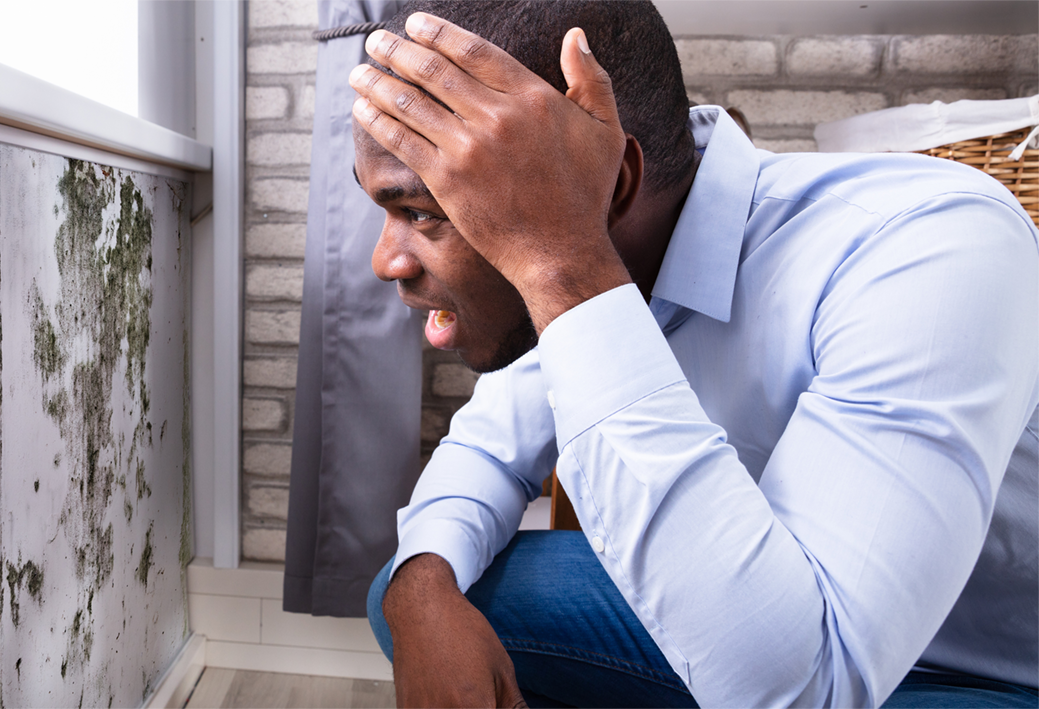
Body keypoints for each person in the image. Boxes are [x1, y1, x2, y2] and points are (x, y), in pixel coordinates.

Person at [346, 0, 1039, 707]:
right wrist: (420, 595)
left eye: (422, 212)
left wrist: (562, 260)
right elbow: (486, 452)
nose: (384, 260)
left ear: (607, 185)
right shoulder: (585, 256)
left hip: (974, 675)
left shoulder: (929, 244)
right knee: (418, 588)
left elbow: (811, 690)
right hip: (769, 634)